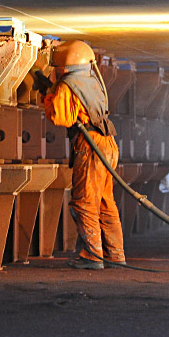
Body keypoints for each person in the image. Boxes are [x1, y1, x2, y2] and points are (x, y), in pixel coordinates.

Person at [41, 40, 125, 270]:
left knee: (84, 201)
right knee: (105, 202)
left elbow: (61, 118)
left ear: (64, 66)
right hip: (108, 143)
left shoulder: (67, 84)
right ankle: (115, 255)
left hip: (91, 148)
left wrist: (48, 95)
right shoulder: (91, 81)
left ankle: (92, 256)